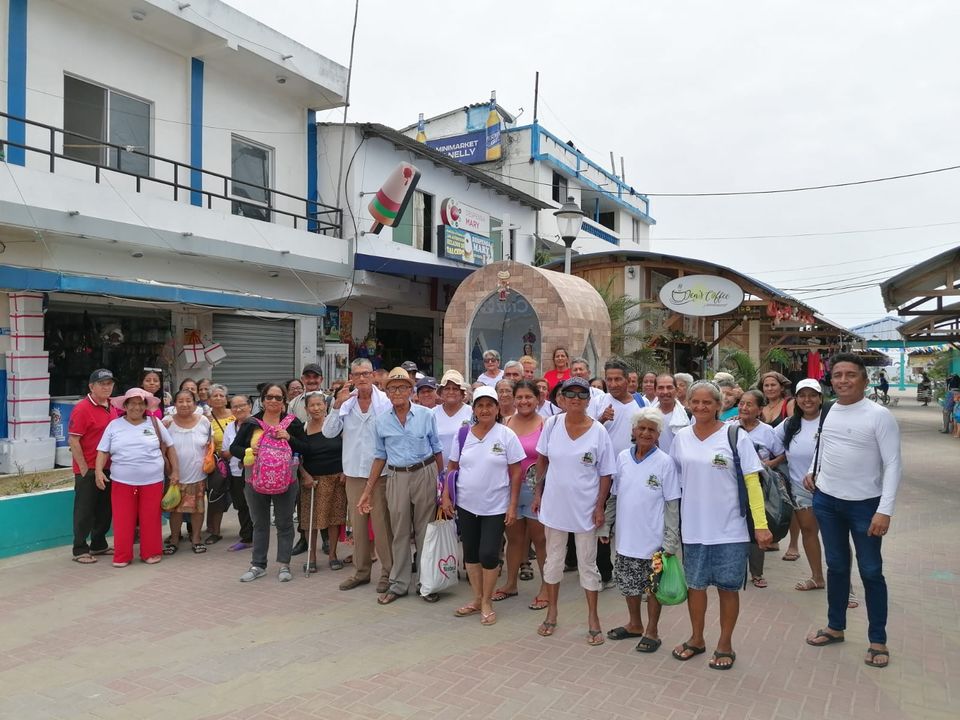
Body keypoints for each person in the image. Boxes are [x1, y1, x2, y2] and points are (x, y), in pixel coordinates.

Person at [804, 353, 902, 669]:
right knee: (836, 566)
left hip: (865, 506)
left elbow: (893, 464)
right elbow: (823, 446)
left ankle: (877, 640)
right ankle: (835, 627)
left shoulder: (879, 415)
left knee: (871, 571)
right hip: (826, 501)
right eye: (837, 375)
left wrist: (884, 510)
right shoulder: (829, 410)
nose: (843, 380)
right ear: (830, 380)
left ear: (864, 379)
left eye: (850, 374)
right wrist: (812, 470)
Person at [670, 381, 771, 670]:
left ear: (718, 405)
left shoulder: (735, 435)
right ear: (688, 404)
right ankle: (696, 639)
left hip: (730, 528)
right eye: (695, 402)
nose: (701, 407)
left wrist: (761, 525)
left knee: (728, 588)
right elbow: (674, 482)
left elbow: (752, 481)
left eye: (707, 402)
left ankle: (725, 644)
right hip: (693, 528)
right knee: (696, 587)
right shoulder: (681, 438)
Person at [532, 377, 616, 645]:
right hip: (555, 506)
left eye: (582, 395)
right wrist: (538, 492)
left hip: (586, 509)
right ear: (562, 399)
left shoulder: (598, 431)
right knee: (553, 561)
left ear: (589, 400)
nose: (576, 399)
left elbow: (606, 473)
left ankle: (593, 618)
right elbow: (542, 459)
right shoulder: (552, 424)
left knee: (587, 564)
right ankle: (552, 613)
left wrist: (600, 506)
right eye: (570, 394)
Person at [358, 367, 443, 604]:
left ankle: (427, 583)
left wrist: (442, 483)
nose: (397, 392)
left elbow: (437, 449)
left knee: (426, 531)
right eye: (392, 388)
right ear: (386, 393)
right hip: (396, 477)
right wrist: (367, 491)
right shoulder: (381, 421)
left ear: (410, 391)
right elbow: (379, 456)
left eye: (402, 387)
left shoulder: (426, 415)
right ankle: (399, 584)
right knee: (400, 532)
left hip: (424, 472)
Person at [443, 386, 524, 625]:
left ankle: (487, 601)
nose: (485, 410)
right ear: (474, 409)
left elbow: (516, 472)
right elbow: (452, 467)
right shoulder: (463, 434)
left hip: (495, 506)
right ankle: (477, 599)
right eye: (480, 405)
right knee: (470, 553)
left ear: (498, 408)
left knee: (488, 553)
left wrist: (512, 505)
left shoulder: (506, 435)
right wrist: (446, 497)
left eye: (490, 405)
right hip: (466, 504)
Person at [605, 408, 681, 651]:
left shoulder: (666, 462)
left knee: (653, 588)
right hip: (625, 538)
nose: (646, 433)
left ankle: (652, 631)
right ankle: (634, 624)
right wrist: (606, 526)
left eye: (652, 429)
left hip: (653, 541)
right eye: (642, 428)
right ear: (634, 430)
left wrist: (671, 540)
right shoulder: (622, 458)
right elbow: (614, 496)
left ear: (658, 434)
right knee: (629, 584)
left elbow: (672, 504)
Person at [325, 358, 395, 593]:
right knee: (358, 526)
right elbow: (329, 432)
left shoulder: (385, 401)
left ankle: (388, 573)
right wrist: (336, 405)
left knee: (382, 527)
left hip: (381, 473)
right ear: (351, 378)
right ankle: (361, 572)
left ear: (373, 375)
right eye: (357, 374)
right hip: (354, 473)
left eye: (366, 373)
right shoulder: (346, 402)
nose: (362, 378)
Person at [230, 383, 307, 583]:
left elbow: (305, 447)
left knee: (284, 523)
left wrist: (289, 438)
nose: (273, 401)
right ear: (262, 400)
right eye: (269, 397)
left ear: (284, 401)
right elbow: (234, 448)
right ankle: (258, 565)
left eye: (278, 397)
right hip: (255, 480)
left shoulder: (293, 423)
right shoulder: (251, 423)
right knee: (259, 524)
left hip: (286, 480)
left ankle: (284, 564)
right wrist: (249, 451)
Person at [95, 387, 177, 567]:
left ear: (146, 406)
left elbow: (170, 447)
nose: (136, 407)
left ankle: (151, 552)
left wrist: (175, 472)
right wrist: (98, 471)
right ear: (125, 406)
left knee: (151, 518)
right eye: (132, 403)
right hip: (122, 482)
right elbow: (103, 450)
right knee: (123, 519)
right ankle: (122, 555)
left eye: (141, 404)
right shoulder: (114, 425)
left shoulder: (155, 423)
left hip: (152, 481)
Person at [496, 380, 550, 609]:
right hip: (510, 490)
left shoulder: (546, 424)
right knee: (514, 539)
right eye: (519, 397)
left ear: (538, 399)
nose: (524, 401)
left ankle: (546, 587)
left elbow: (548, 460)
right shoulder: (506, 423)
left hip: (536, 489)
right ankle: (510, 584)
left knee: (540, 540)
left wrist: (540, 492)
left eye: (529, 397)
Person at [729, 389, 786, 588]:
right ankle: (734, 569)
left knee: (756, 524)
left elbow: (781, 454)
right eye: (741, 403)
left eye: (749, 404)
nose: (744, 407)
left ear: (760, 409)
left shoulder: (767, 431)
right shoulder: (730, 427)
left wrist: (768, 464)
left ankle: (757, 573)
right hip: (733, 486)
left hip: (758, 485)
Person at [775, 378, 827, 592]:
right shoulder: (790, 424)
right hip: (800, 487)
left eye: (812, 395)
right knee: (808, 530)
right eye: (802, 396)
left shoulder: (830, 421)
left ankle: (846, 586)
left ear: (820, 398)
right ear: (795, 399)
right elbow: (769, 440)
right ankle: (817, 577)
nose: (808, 400)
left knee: (834, 536)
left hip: (829, 488)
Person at [69, 369, 119, 564]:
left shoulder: (112, 406)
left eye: (109, 383)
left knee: (104, 509)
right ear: (91, 386)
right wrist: (83, 467)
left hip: (108, 467)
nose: (107, 387)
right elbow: (74, 440)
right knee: (85, 510)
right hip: (88, 468)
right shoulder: (82, 408)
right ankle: (80, 548)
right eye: (102, 384)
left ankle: (98, 544)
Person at [299, 392, 346, 572]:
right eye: (312, 405)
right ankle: (311, 557)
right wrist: (304, 475)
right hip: (313, 481)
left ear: (326, 406)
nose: (316, 408)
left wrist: (345, 471)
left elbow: (348, 449)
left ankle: (333, 555)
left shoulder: (337, 425)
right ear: (306, 409)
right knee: (310, 521)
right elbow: (297, 457)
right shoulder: (303, 429)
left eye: (319, 404)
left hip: (336, 479)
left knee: (334, 519)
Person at [162, 389, 212, 555]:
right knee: (175, 509)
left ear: (195, 403)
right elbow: (161, 448)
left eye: (188, 400)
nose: (185, 404)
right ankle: (174, 540)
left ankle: (196, 539)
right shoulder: (167, 422)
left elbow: (210, 445)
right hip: (175, 475)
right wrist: (169, 469)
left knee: (198, 509)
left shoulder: (204, 421)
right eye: (180, 401)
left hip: (198, 474)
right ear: (174, 404)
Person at [221, 394, 254, 551]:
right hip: (236, 472)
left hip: (254, 472)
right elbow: (225, 452)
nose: (238, 409)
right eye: (235, 406)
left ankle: (256, 536)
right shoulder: (230, 427)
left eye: (242, 405)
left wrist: (235, 449)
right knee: (241, 505)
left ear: (250, 406)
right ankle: (247, 537)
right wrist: (237, 450)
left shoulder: (256, 424)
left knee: (255, 505)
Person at [203, 383, 234, 545]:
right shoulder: (205, 420)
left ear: (226, 399)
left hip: (238, 461)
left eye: (221, 395)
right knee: (216, 496)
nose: (218, 398)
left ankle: (248, 531)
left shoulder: (235, 414)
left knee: (242, 497)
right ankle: (215, 531)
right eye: (214, 396)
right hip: (218, 463)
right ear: (208, 400)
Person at [433, 370, 472, 466]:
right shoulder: (431, 414)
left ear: (462, 393)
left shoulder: (472, 412)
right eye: (447, 388)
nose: (451, 392)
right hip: (438, 469)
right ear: (441, 392)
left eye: (455, 389)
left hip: (466, 468)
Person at [655, 374, 690, 454]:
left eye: (669, 387)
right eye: (661, 388)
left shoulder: (688, 415)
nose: (665, 392)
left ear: (676, 390)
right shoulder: (647, 416)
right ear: (655, 391)